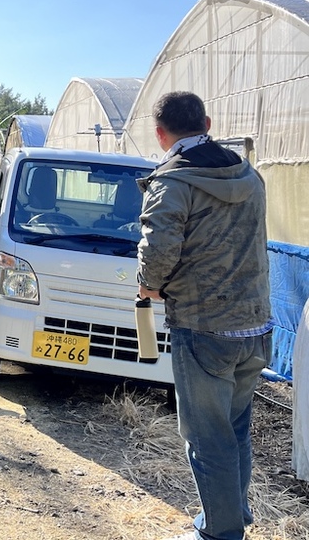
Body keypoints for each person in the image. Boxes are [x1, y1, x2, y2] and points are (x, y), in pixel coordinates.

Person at [136, 91, 272, 540]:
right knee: (234, 428)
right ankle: (234, 517)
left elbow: (159, 250)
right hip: (255, 324)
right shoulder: (250, 175)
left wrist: (148, 284)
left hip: (204, 326)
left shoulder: (173, 182)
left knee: (207, 437)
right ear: (207, 123)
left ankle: (219, 532)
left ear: (160, 134)